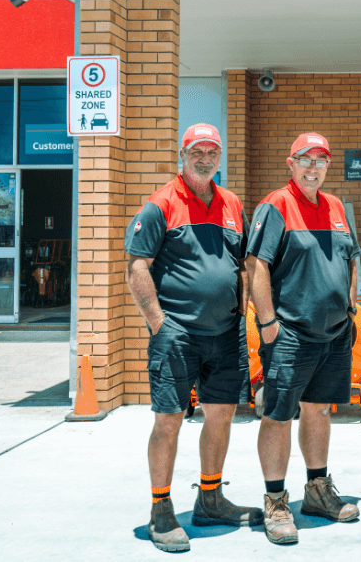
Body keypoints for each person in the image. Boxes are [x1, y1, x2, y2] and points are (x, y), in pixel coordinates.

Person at [125, 123, 263, 554]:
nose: (205, 158)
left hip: (225, 333)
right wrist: (159, 323)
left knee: (221, 415)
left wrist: (242, 314)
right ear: (182, 155)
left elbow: (242, 264)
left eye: (212, 151)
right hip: (177, 334)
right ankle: (160, 509)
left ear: (219, 156)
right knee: (168, 419)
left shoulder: (232, 203)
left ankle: (210, 498)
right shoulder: (160, 205)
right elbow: (137, 268)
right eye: (196, 151)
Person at [245, 132, 361, 545]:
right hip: (290, 332)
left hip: (332, 334)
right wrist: (269, 323)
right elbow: (256, 265)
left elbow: (350, 258)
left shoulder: (334, 207)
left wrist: (349, 308)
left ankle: (317, 491)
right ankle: (275, 501)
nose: (313, 167)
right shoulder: (276, 205)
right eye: (305, 159)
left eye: (320, 160)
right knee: (278, 415)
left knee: (319, 412)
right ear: (290, 164)